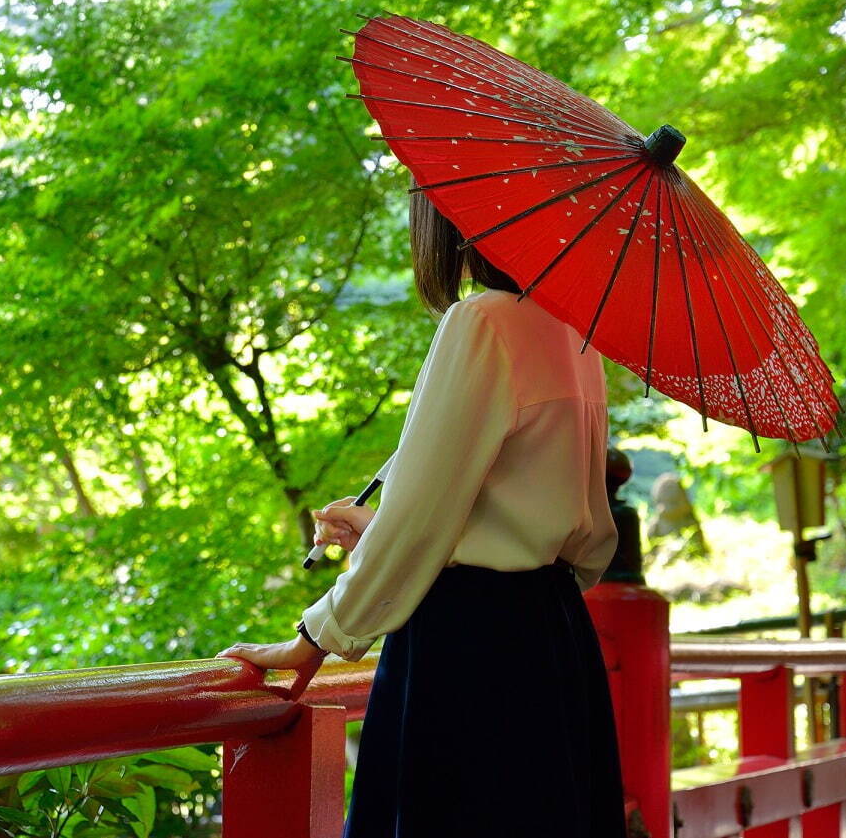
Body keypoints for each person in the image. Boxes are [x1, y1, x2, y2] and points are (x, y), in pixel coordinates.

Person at [216, 187, 628, 837]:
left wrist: (318, 634)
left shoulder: (482, 322)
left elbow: (422, 519)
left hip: (469, 644)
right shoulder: (577, 334)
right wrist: (382, 530)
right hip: (553, 636)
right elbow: (559, 533)